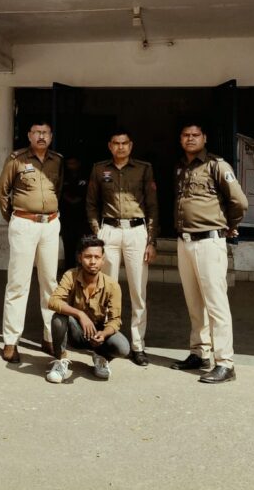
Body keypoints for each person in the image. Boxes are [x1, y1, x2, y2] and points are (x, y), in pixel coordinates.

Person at [170, 121, 248, 384]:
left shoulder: (217, 165)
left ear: (204, 138)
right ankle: (200, 352)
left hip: (209, 241)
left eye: (195, 135)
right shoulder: (180, 166)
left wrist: (231, 225)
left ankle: (225, 362)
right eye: (185, 135)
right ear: (180, 139)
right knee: (194, 302)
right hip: (185, 241)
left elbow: (239, 202)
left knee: (216, 304)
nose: (190, 139)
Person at [85, 128, 160, 367]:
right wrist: (97, 232)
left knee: (138, 290)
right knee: (106, 288)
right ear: (110, 146)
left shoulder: (144, 168)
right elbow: (91, 203)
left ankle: (138, 345)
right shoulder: (99, 169)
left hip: (136, 231)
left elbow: (152, 206)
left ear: (131, 145)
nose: (120, 147)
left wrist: (151, 240)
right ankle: (106, 341)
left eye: (124, 143)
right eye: (116, 143)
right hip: (109, 231)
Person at [0, 120, 63, 364]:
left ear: (51, 136)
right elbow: (2, 192)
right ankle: (11, 340)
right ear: (29, 135)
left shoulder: (57, 160)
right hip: (24, 223)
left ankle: (50, 337)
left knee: (50, 282)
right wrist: (15, 218)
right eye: (37, 132)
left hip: (50, 224)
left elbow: (58, 190)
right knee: (18, 282)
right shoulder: (17, 159)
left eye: (45, 132)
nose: (41, 136)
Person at [45, 236, 130, 383]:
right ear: (80, 258)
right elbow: (53, 301)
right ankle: (60, 360)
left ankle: (101, 357)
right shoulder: (70, 275)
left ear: (103, 260)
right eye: (88, 257)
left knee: (123, 348)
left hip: (97, 333)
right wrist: (80, 314)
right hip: (76, 330)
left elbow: (115, 320)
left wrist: (104, 334)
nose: (92, 261)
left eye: (97, 257)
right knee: (58, 319)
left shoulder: (112, 285)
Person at [59, 156, 91, 272]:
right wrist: (70, 199)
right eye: (69, 164)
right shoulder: (63, 176)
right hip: (66, 218)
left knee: (84, 245)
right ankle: (69, 271)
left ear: (78, 163)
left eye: (73, 163)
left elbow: (89, 194)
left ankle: (84, 270)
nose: (71, 166)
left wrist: (77, 199)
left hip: (82, 217)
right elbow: (60, 193)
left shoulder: (85, 177)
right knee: (68, 245)